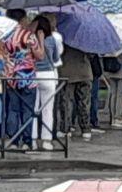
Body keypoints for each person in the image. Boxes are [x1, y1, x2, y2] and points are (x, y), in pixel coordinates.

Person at [31, 15, 62, 149]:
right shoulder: (52, 40)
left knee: (33, 108)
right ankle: (46, 140)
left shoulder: (30, 40)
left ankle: (31, 139)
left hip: (34, 74)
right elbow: (56, 58)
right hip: (48, 75)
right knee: (48, 110)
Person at [59, 31, 97, 141]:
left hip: (67, 71)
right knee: (84, 102)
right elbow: (92, 54)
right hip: (85, 71)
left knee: (67, 102)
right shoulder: (86, 35)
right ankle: (85, 128)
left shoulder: (63, 35)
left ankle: (65, 128)